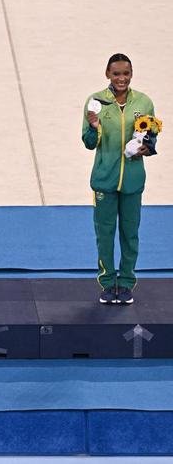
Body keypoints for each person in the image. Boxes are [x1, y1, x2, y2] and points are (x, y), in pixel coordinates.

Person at [82, 53, 157, 305]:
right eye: (116, 74)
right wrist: (93, 127)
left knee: (130, 233)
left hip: (133, 181)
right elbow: (89, 143)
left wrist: (148, 148)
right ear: (107, 74)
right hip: (104, 180)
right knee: (105, 234)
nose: (121, 78)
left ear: (131, 74)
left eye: (126, 73)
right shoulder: (95, 103)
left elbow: (151, 138)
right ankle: (106, 282)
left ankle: (125, 283)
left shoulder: (144, 103)